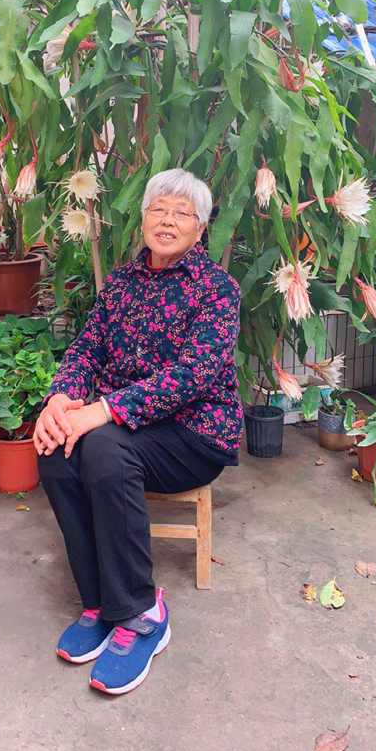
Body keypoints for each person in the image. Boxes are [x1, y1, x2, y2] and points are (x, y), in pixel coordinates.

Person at [34, 168, 242, 695]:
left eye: (182, 213)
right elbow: (87, 348)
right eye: (158, 209)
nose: (168, 221)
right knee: (56, 449)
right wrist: (61, 399)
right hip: (122, 426)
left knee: (103, 447)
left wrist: (103, 410)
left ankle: (143, 614)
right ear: (144, 218)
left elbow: (192, 376)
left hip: (194, 433)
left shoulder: (217, 289)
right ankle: (100, 603)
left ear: (200, 228)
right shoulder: (123, 283)